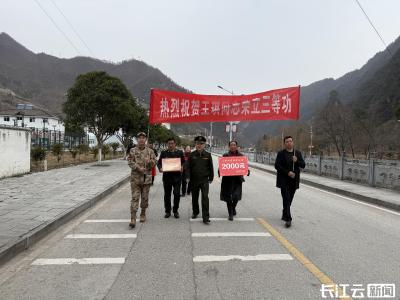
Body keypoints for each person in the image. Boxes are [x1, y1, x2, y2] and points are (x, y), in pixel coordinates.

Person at [274, 136, 305, 228]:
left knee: (289, 199)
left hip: (294, 180)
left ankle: (285, 212)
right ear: (284, 143)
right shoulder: (281, 153)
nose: (289, 143)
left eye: (290, 141)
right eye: (287, 141)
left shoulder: (297, 153)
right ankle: (288, 219)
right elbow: (277, 166)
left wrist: (297, 161)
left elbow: (303, 165)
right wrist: (288, 172)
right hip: (284, 180)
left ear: (293, 142)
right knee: (286, 198)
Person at [127, 132, 156, 228]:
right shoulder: (132, 150)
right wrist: (138, 168)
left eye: (143, 138)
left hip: (146, 179)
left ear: (146, 139)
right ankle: (133, 218)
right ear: (137, 139)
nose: (141, 139)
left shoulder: (150, 151)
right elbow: (130, 162)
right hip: (135, 179)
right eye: (139, 138)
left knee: (144, 198)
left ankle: (143, 213)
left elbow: (154, 163)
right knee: (135, 198)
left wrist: (150, 162)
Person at [219, 141, 250, 221]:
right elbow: (222, 166)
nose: (233, 146)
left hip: (237, 180)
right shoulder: (225, 155)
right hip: (227, 180)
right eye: (231, 145)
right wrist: (220, 171)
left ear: (236, 146)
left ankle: (233, 208)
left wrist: (247, 171)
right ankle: (230, 214)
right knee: (228, 197)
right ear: (229, 146)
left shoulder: (241, 156)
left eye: (234, 145)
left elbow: (244, 166)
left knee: (236, 196)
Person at [157, 137, 185, 218]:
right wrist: (160, 168)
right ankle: (168, 211)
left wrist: (182, 166)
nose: (171, 145)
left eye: (172, 143)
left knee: (176, 194)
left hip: (177, 178)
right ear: (167, 144)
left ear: (175, 144)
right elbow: (159, 163)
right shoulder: (164, 153)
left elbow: (184, 162)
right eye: (169, 143)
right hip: (167, 178)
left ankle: (175, 210)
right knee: (167, 195)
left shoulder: (179, 152)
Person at [189, 136, 214, 224]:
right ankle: (195, 212)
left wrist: (211, 177)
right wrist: (188, 177)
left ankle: (205, 217)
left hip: (204, 180)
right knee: (194, 198)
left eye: (201, 144)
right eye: (197, 144)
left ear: (204, 145)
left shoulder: (208, 155)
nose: (199, 145)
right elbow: (188, 167)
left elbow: (211, 167)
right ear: (195, 144)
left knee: (205, 198)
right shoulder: (191, 155)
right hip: (194, 180)